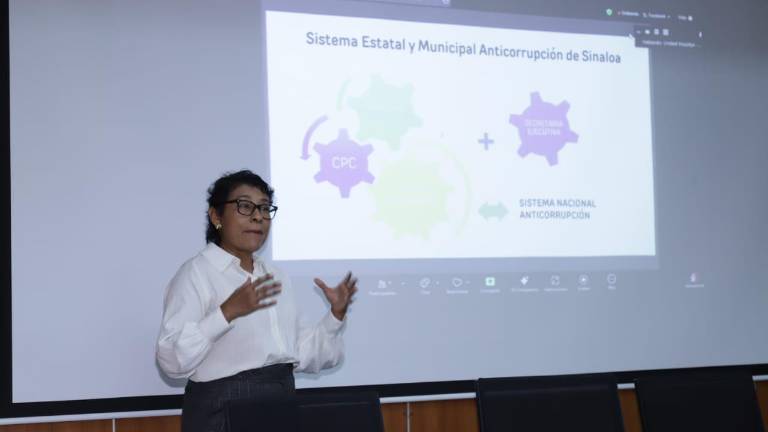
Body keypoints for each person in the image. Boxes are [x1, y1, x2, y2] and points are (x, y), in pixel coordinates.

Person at [156, 170, 357, 432]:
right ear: (216, 216)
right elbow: (171, 361)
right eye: (245, 206)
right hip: (221, 414)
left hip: (279, 409)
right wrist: (226, 313)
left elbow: (303, 353)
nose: (258, 216)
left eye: (264, 208)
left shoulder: (275, 276)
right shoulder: (196, 273)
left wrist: (335, 315)